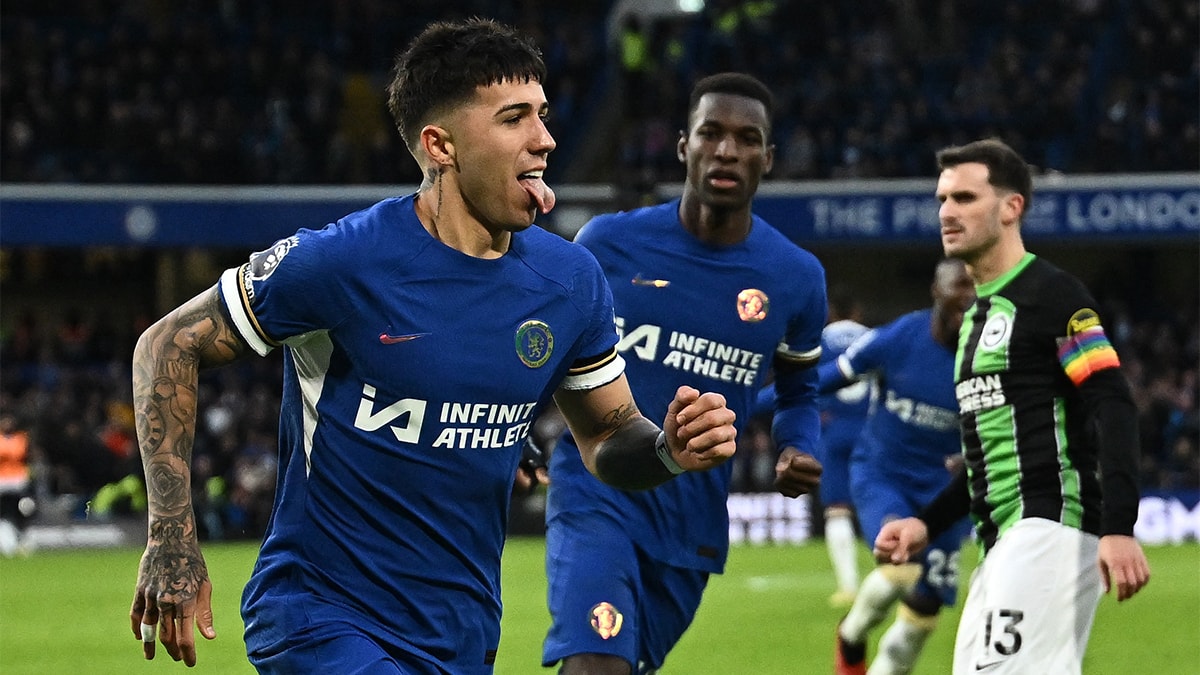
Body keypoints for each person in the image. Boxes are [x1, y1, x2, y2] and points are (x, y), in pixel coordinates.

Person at [127, 19, 740, 674]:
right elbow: (167, 344)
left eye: (542, 114)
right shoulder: (342, 262)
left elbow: (609, 433)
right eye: (514, 118)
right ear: (440, 145)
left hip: (461, 634)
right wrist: (171, 537)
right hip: (321, 617)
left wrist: (668, 449)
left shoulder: (570, 282)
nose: (544, 138)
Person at [541, 72, 827, 675]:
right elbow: (551, 350)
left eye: (747, 139)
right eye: (711, 133)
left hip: (690, 517)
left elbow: (799, 389)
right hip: (599, 488)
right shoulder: (608, 243)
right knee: (594, 665)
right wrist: (509, 425)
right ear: (683, 146)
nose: (727, 150)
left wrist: (798, 444)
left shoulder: (796, 277)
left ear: (768, 159)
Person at [874, 138, 1151, 674]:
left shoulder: (1052, 297)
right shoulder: (974, 323)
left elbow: (1113, 404)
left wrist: (1119, 525)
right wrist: (926, 524)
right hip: (999, 539)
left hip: (1048, 527)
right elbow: (989, 454)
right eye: (942, 199)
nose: (947, 212)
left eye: (964, 198)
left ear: (1010, 207)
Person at [829, 258, 977, 675]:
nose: (967, 296)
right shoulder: (900, 337)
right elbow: (829, 377)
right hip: (886, 475)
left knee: (921, 618)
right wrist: (761, 404)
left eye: (975, 286)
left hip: (946, 492)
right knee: (899, 568)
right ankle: (851, 636)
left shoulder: (990, 351)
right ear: (936, 289)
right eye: (959, 285)